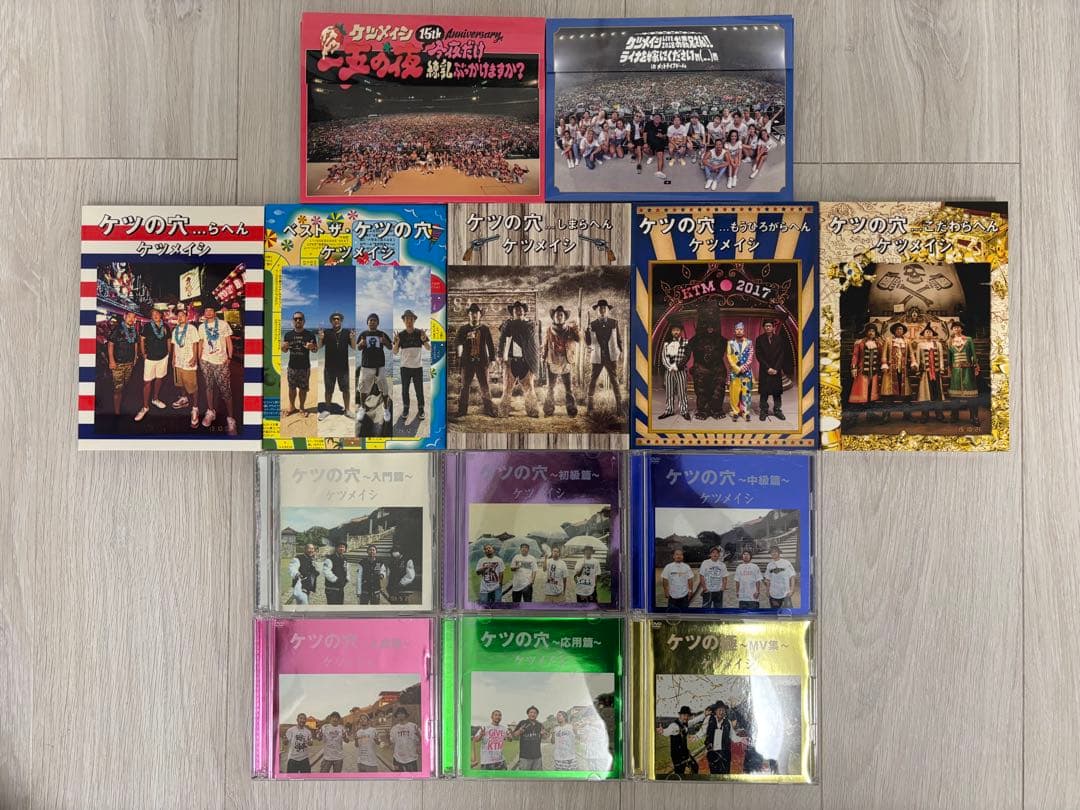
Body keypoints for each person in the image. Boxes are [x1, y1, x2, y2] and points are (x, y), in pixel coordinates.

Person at [198, 306, 237, 435]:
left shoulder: (223, 324)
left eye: (211, 310)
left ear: (215, 313)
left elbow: (228, 341)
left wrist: (229, 357)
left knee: (226, 390)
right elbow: (201, 343)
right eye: (206, 310)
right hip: (206, 360)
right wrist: (200, 358)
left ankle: (231, 418)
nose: (208, 312)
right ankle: (210, 411)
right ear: (204, 313)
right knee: (208, 386)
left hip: (221, 361)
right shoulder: (201, 327)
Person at [498, 301, 539, 419]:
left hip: (526, 361)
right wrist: (500, 355)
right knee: (507, 388)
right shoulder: (507, 325)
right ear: (513, 312)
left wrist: (534, 361)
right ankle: (503, 412)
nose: (519, 311)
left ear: (524, 311)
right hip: (511, 361)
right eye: (516, 310)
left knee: (529, 388)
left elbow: (533, 344)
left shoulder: (530, 325)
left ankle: (532, 411)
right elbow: (502, 341)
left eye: (521, 309)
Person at [455, 304, 497, 418]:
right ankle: (462, 410)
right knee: (464, 386)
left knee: (485, 386)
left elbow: (490, 345)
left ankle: (489, 409)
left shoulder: (485, 329)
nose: (474, 315)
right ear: (468, 315)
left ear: (480, 315)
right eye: (472, 313)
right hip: (467, 362)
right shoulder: (463, 329)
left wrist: (492, 359)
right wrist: (466, 338)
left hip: (482, 362)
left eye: (476, 313)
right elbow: (457, 344)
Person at [585, 299, 623, 416]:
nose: (602, 310)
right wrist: (587, 332)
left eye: (604, 308)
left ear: (607, 310)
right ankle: (590, 408)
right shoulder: (592, 325)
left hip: (611, 356)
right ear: (597, 310)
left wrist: (620, 352)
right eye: (600, 308)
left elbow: (618, 339)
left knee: (614, 380)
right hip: (597, 356)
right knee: (593, 380)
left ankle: (619, 408)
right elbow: (589, 342)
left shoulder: (614, 323)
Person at [541, 305, 580, 418]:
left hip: (566, 360)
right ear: (553, 317)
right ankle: (548, 409)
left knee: (568, 388)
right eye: (557, 315)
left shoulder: (571, 330)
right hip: (552, 360)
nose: (559, 317)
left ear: (564, 317)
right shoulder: (549, 330)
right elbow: (545, 345)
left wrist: (577, 329)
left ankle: (571, 409)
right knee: (550, 387)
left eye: (561, 315)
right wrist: (543, 357)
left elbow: (578, 339)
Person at [686, 315, 727, 420]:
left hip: (717, 369)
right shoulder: (695, 340)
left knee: (718, 389)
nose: (710, 327)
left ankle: (716, 409)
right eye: (707, 325)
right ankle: (703, 410)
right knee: (701, 390)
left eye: (712, 325)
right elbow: (686, 353)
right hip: (701, 368)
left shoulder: (722, 340)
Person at [394, 309, 430, 422]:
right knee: (405, 390)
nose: (409, 321)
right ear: (404, 321)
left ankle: (421, 409)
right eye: (407, 319)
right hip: (404, 367)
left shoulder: (420, 333)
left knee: (419, 390)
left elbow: (429, 348)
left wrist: (424, 340)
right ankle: (406, 408)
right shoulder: (400, 335)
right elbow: (395, 352)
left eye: (411, 319)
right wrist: (397, 343)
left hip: (417, 367)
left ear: (414, 320)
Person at [318, 311, 354, 421]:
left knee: (346, 390)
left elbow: (354, 347)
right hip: (329, 368)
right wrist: (320, 338)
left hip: (343, 368)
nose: (336, 320)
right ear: (331, 321)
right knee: (328, 390)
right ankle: (327, 410)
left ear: (341, 320)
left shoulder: (347, 332)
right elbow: (319, 347)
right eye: (334, 319)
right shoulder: (326, 332)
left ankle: (347, 410)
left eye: (338, 319)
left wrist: (352, 338)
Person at [169, 308, 202, 428]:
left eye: (182, 315)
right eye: (178, 316)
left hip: (189, 361)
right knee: (181, 383)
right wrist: (173, 358)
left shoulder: (192, 328)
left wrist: (194, 357)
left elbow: (195, 343)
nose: (180, 317)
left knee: (192, 386)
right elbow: (174, 345)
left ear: (187, 317)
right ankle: (184, 399)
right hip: (178, 361)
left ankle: (195, 408)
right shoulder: (175, 330)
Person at [135, 308, 170, 422]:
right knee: (147, 382)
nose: (155, 315)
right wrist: (143, 353)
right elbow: (142, 339)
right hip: (150, 358)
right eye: (153, 314)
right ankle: (145, 407)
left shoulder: (166, 326)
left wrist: (169, 353)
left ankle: (155, 399)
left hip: (163, 357)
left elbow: (168, 340)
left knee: (159, 378)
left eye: (157, 313)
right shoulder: (147, 326)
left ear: (161, 315)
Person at [281, 311, 317, 417]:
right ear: (292, 321)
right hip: (292, 367)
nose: (298, 320)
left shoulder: (310, 334)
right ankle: (292, 407)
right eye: (295, 319)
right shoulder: (288, 335)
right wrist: (283, 347)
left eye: (300, 319)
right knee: (291, 388)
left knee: (303, 389)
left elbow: (315, 350)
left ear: (304, 321)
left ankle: (301, 407)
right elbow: (285, 351)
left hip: (304, 367)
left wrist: (312, 347)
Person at [848, 323, 884, 423]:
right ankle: (853, 417)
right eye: (869, 331)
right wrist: (854, 368)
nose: (871, 333)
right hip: (862, 372)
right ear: (866, 332)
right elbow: (855, 356)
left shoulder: (878, 344)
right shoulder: (860, 343)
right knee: (859, 394)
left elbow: (881, 356)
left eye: (873, 331)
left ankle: (870, 415)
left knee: (871, 395)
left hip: (874, 373)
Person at [911, 323, 947, 423]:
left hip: (936, 372)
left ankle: (939, 414)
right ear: (923, 334)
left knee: (937, 393)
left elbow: (940, 357)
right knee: (924, 393)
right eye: (926, 332)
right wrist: (918, 370)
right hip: (925, 372)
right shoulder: (920, 345)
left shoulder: (938, 344)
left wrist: (941, 368)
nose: (928, 333)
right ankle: (924, 414)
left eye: (930, 332)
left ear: (933, 334)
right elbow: (918, 358)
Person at [946, 321, 980, 425]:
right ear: (952, 330)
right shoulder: (950, 341)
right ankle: (954, 416)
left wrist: (976, 365)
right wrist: (949, 368)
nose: (956, 329)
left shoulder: (968, 339)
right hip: (955, 371)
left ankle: (974, 417)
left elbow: (973, 353)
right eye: (954, 328)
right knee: (954, 396)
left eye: (958, 327)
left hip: (967, 371)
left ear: (961, 329)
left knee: (971, 395)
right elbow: (949, 357)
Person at [754, 319, 789, 421]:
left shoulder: (779, 339)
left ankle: (777, 410)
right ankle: (763, 410)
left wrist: (776, 368)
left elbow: (782, 355)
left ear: (773, 327)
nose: (768, 328)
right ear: (763, 328)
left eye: (770, 326)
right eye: (766, 326)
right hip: (765, 370)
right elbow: (759, 355)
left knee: (777, 392)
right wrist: (768, 368)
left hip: (776, 370)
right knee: (764, 392)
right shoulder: (759, 339)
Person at [107, 311, 139, 417]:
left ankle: (121, 404)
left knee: (125, 385)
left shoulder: (134, 330)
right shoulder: (117, 329)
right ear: (125, 317)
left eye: (133, 317)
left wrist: (135, 357)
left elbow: (135, 344)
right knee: (118, 388)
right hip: (118, 364)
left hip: (129, 363)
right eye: (129, 316)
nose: (131, 319)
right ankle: (117, 412)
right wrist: (111, 360)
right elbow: (110, 344)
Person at [880, 322, 912, 422]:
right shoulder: (888, 340)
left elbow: (911, 354)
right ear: (894, 331)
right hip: (890, 370)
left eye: (901, 329)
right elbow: (884, 353)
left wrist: (913, 362)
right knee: (888, 394)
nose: (899, 331)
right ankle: (886, 415)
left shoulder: (907, 341)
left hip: (903, 370)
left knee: (906, 394)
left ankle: (907, 415)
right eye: (897, 329)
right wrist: (884, 364)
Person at [658, 322, 690, 420]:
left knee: (682, 391)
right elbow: (664, 357)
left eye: (678, 330)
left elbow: (686, 357)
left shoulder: (686, 342)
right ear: (671, 332)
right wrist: (670, 367)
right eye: (674, 330)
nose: (676, 332)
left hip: (680, 370)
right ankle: (669, 410)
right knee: (669, 391)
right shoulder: (667, 343)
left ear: (681, 331)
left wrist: (677, 366)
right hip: (669, 372)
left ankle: (684, 410)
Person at [726, 322, 755, 421]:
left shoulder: (749, 343)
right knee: (734, 393)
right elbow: (729, 356)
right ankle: (735, 411)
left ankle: (745, 412)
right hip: (735, 372)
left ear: (743, 331)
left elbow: (750, 357)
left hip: (746, 372)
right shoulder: (730, 343)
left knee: (746, 392)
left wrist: (744, 367)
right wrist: (737, 368)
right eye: (737, 329)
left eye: (741, 329)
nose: (739, 331)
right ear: (734, 331)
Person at [662, 706, 699, 776]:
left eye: (688, 715)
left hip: (685, 753)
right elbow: (667, 731)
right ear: (679, 715)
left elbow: (695, 721)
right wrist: (662, 731)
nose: (686, 717)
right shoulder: (674, 725)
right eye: (684, 715)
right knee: (679, 772)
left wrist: (704, 714)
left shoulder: (686, 723)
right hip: (677, 756)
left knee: (695, 766)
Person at [511, 706, 545, 770]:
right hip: (525, 757)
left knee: (537, 775)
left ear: (537, 715)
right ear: (528, 714)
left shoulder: (539, 725)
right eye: (531, 712)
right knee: (525, 775)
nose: (533, 714)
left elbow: (545, 737)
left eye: (535, 713)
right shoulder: (523, 723)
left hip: (537, 757)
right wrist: (519, 731)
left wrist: (543, 734)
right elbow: (514, 735)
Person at [764, 545, 797, 609]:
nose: (774, 553)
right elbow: (767, 579)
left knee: (787, 612)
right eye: (772, 552)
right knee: (775, 613)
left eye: (775, 551)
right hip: (773, 594)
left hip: (785, 594)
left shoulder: (786, 563)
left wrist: (792, 590)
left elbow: (792, 576)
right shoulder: (769, 565)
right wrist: (767, 590)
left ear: (779, 553)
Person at [389, 706, 421, 772]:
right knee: (398, 777)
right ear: (396, 715)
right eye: (398, 713)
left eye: (402, 713)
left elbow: (421, 739)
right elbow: (392, 742)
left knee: (413, 777)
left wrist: (419, 735)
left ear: (405, 715)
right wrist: (387, 738)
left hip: (411, 758)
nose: (400, 715)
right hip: (397, 758)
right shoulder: (394, 729)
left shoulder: (413, 726)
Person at [704, 702, 732, 775]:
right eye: (719, 710)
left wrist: (742, 739)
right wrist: (695, 736)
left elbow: (733, 736)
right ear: (715, 711)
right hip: (713, 754)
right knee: (714, 775)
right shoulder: (709, 719)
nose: (721, 712)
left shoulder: (728, 722)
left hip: (724, 754)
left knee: (725, 775)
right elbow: (702, 731)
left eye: (723, 710)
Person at [323, 541, 349, 605]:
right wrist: (336, 580)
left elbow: (346, 570)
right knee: (332, 607)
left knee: (340, 606)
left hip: (340, 588)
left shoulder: (344, 559)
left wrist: (346, 579)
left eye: (343, 547)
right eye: (340, 547)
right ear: (336, 548)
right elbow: (326, 571)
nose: (341, 549)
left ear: (345, 549)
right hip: (331, 588)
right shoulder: (330, 558)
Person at [644, 112, 669, 179]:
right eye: (655, 117)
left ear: (661, 119)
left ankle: (659, 172)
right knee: (645, 149)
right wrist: (645, 143)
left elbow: (665, 136)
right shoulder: (648, 124)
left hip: (659, 143)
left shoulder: (664, 125)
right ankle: (651, 156)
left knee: (660, 155)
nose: (657, 119)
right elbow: (645, 133)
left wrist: (662, 136)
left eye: (658, 118)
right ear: (653, 118)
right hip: (650, 143)